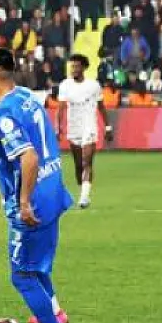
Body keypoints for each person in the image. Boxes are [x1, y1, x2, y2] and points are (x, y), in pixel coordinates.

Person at [0, 47, 77, 323]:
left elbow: (28, 157)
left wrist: (23, 202)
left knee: (21, 275)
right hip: (53, 188)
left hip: (34, 200)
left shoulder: (4, 113)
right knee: (38, 265)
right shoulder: (26, 96)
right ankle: (54, 311)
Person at [57, 54, 104, 209]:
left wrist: (108, 127)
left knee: (87, 162)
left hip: (89, 125)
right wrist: (58, 127)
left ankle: (84, 197)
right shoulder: (65, 85)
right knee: (78, 165)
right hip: (74, 127)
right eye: (72, 66)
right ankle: (82, 189)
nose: (74, 69)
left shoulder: (94, 86)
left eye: (77, 66)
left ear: (84, 68)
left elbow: (101, 106)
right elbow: (61, 108)